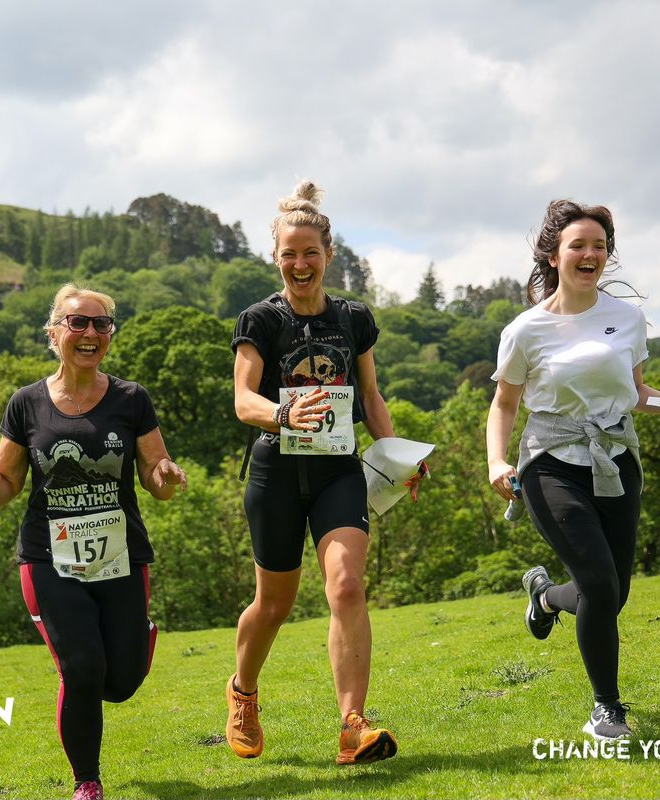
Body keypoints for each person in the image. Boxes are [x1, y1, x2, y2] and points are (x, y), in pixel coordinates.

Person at [0, 284, 186, 800]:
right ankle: (87, 782)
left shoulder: (131, 399)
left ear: (109, 336)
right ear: (54, 332)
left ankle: (132, 636)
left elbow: (153, 469)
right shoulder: (27, 403)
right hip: (48, 557)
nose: (89, 333)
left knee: (119, 682)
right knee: (82, 667)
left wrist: (165, 476)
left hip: (120, 555)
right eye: (77, 323)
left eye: (100, 324)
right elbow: (7, 477)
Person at [226, 180, 409, 765]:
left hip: (337, 472)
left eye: (310, 253)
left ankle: (352, 726)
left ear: (329, 255)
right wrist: (283, 412)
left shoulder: (354, 318)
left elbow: (372, 396)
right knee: (273, 604)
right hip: (275, 474)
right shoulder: (261, 319)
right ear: (275, 257)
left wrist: (397, 454)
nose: (300, 264)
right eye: (289, 254)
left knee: (347, 585)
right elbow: (242, 400)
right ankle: (243, 693)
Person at [485, 199, 660, 741]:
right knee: (596, 580)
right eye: (578, 246)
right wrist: (497, 461)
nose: (590, 254)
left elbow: (636, 394)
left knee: (613, 594)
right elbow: (504, 404)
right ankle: (606, 709)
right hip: (551, 462)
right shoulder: (526, 330)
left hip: (617, 457)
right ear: (554, 256)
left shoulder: (627, 318)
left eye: (599, 246)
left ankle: (544, 597)